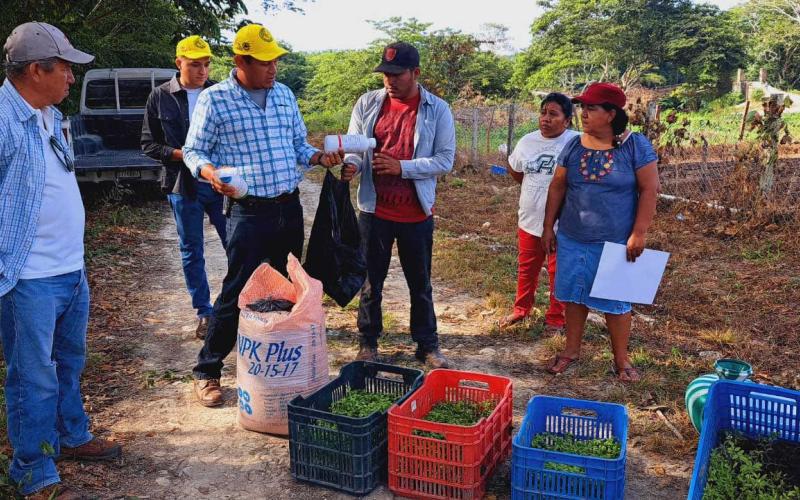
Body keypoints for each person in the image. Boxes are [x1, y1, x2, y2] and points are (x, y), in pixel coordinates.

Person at [183, 24, 341, 407]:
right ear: (241, 61)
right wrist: (210, 174)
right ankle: (207, 370)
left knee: (287, 289)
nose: (274, 70)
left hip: (288, 207)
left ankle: (280, 364)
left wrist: (319, 157)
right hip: (249, 213)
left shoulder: (284, 95)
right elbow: (193, 151)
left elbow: (298, 146)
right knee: (238, 288)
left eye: (276, 62)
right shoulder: (215, 99)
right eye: (266, 62)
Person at [0, 22, 121, 500]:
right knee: (33, 378)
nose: (72, 78)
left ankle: (72, 435)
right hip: (27, 276)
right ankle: (33, 471)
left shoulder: (48, 114)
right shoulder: (3, 120)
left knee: (69, 363)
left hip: (69, 268)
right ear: (36, 69)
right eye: (66, 69)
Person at [341, 42, 456, 369]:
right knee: (369, 281)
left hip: (416, 213)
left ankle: (427, 345)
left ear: (415, 73)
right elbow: (356, 146)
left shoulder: (437, 109)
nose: (389, 80)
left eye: (396, 74)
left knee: (420, 283)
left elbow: (444, 160)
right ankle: (367, 342)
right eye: (385, 74)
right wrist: (352, 165)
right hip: (375, 211)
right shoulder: (367, 103)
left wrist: (402, 167)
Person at [541, 82, 660, 382]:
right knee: (574, 297)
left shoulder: (636, 145)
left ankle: (622, 360)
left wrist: (639, 232)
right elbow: (558, 186)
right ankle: (571, 351)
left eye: (590, 108)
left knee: (617, 302)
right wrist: (548, 227)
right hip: (572, 236)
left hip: (616, 241)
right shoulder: (573, 145)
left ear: (610, 114)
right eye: (582, 107)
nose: (583, 113)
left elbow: (650, 189)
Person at [141, 35, 224, 340]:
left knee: (238, 244)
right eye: (194, 64)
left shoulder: (218, 93)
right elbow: (149, 145)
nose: (202, 70)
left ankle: (238, 307)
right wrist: (186, 156)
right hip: (182, 184)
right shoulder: (160, 96)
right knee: (192, 250)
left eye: (206, 64)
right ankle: (204, 312)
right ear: (179, 63)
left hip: (219, 184)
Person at [500, 93, 578, 332]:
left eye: (553, 114)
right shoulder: (527, 142)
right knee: (527, 267)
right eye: (543, 113)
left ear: (566, 121)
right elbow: (515, 170)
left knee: (559, 271)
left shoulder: (576, 142)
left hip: (562, 223)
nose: (545, 119)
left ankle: (556, 318)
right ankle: (521, 309)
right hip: (530, 218)